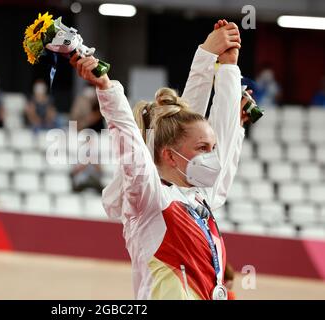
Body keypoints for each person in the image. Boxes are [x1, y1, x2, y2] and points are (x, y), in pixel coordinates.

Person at [70, 20, 244, 300]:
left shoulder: (201, 199)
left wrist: (227, 70)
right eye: (203, 148)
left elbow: (217, 126)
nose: (212, 156)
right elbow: (133, 150)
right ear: (168, 156)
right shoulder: (150, 200)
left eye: (212, 148)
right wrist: (107, 88)